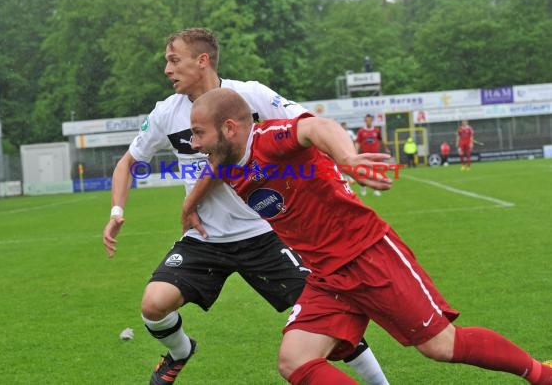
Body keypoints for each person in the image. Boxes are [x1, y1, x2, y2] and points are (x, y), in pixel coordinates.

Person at [189, 87, 552, 385]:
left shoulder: (270, 139)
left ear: (231, 127)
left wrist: (349, 159)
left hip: (368, 254)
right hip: (326, 276)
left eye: (199, 132)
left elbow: (318, 127)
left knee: (441, 345)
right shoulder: (225, 161)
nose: (193, 142)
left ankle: (541, 374)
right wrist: (189, 205)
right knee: (294, 360)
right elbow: (212, 171)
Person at [102, 28, 388, 385]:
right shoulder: (166, 113)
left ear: (202, 60)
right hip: (205, 238)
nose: (167, 70)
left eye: (174, 60)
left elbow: (311, 124)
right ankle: (180, 353)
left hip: (265, 234)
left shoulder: (251, 95)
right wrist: (117, 212)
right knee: (154, 305)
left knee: (327, 321)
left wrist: (348, 158)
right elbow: (128, 162)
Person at [355, 114, 389, 196]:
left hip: (376, 155)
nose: (368, 121)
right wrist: (355, 152)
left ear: (372, 120)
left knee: (377, 172)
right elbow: (358, 142)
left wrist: (386, 148)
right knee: (364, 172)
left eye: (369, 120)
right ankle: (363, 188)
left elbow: (381, 140)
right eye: (366, 120)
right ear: (365, 121)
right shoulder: (361, 131)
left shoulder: (376, 130)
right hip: (365, 155)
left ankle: (376, 190)